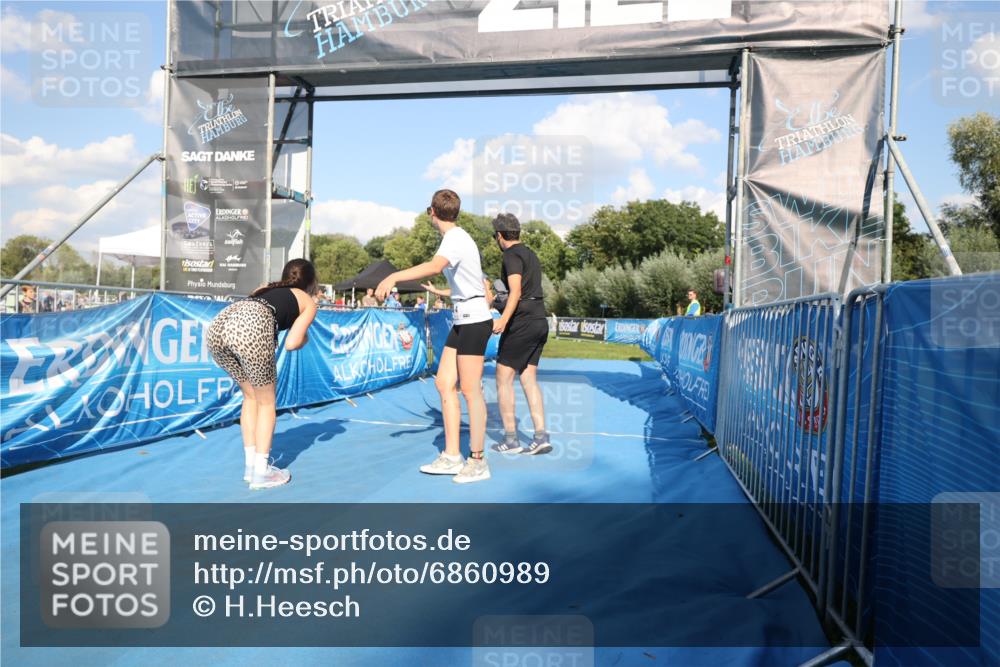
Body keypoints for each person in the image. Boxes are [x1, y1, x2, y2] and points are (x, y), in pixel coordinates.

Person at [376, 189, 493, 484]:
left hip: (476, 319)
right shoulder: (453, 238)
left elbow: (434, 267)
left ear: (431, 212)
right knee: (444, 383)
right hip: (462, 318)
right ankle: (453, 455)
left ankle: (478, 461)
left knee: (470, 391)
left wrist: (393, 276)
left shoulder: (455, 238)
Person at [206, 259, 319, 490]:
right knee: (267, 403)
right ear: (310, 282)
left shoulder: (265, 288)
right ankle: (261, 473)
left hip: (218, 326)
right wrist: (305, 334)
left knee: (250, 397)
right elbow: (292, 343)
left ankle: (250, 468)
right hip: (252, 325)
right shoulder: (307, 300)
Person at [488, 213, 552, 456]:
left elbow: (514, 292)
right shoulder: (530, 254)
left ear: (500, 236)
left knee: (503, 378)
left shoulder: (510, 255)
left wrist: (502, 320)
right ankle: (540, 436)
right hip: (539, 319)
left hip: (522, 322)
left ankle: (511, 440)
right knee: (528, 378)